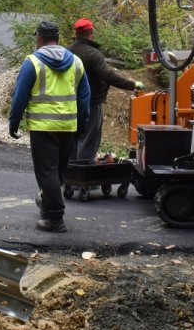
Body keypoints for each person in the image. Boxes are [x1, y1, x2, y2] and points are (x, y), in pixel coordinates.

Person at [8, 20, 91, 233]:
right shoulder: (76, 62)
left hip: (43, 127)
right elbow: (84, 98)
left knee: (47, 172)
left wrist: (14, 121)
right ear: (58, 38)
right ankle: (47, 201)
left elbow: (20, 97)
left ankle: (55, 218)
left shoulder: (33, 62)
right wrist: (82, 123)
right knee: (58, 171)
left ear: (39, 38)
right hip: (68, 126)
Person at [68, 17, 143, 162]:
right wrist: (133, 85)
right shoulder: (93, 54)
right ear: (91, 33)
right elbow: (107, 75)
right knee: (89, 139)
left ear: (76, 34)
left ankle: (70, 177)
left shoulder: (67, 52)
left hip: (69, 102)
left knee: (73, 139)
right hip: (91, 103)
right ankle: (85, 178)